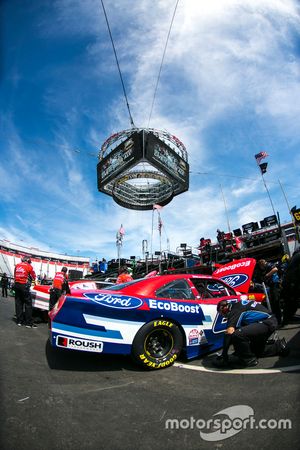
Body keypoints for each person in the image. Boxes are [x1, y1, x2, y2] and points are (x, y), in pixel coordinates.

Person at [214, 299, 278, 368]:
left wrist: (224, 354)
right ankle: (278, 347)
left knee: (237, 334)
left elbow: (229, 332)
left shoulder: (234, 310)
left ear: (225, 308)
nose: (223, 315)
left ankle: (249, 360)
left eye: (222, 312)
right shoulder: (238, 305)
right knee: (253, 350)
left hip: (266, 323)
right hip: (268, 322)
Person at [14, 256, 37, 328]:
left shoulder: (17, 265)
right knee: (28, 304)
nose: (30, 262)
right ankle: (28, 323)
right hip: (24, 286)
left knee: (18, 303)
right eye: (30, 261)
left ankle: (19, 321)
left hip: (16, 285)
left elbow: (15, 275)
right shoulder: (29, 266)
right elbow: (34, 276)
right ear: (28, 261)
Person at [281, 249, 300, 325]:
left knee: (291, 301)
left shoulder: (294, 258)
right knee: (291, 301)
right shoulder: (297, 257)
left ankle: (288, 318)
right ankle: (287, 319)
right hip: (291, 283)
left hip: (290, 282)